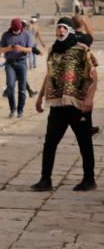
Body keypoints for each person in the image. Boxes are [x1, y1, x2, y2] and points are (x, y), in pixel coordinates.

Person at [32, 17, 97, 192]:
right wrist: (40, 98)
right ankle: (45, 180)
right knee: (50, 143)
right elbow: (49, 75)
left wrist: (89, 99)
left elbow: (94, 76)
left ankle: (89, 179)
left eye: (64, 28)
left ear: (69, 30)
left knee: (84, 143)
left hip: (78, 105)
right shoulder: (53, 50)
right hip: (57, 105)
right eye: (58, 27)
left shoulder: (81, 48)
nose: (60, 31)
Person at [0, 17, 34, 118]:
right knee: (10, 86)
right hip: (9, 63)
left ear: (21, 28)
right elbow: (1, 49)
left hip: (22, 63)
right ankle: (12, 109)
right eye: (14, 30)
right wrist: (9, 48)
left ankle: (20, 110)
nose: (16, 32)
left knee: (22, 88)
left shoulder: (27, 35)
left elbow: (30, 49)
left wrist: (21, 48)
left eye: (17, 30)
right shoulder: (6, 35)